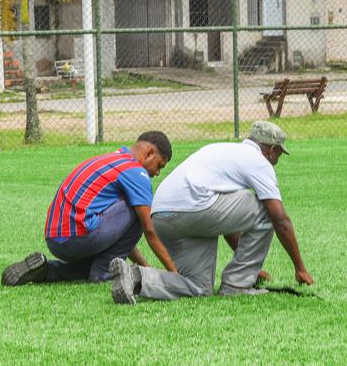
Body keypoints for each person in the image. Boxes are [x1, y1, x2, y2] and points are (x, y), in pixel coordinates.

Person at [108, 121, 315, 305]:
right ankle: (237, 287)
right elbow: (280, 219)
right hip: (194, 210)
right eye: (279, 153)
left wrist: (246, 264)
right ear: (271, 149)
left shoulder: (222, 150)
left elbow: (226, 222)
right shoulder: (259, 161)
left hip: (162, 214)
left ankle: (135, 277)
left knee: (197, 287)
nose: (277, 158)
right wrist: (300, 268)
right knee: (266, 210)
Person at [1, 132, 176, 285]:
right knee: (140, 208)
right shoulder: (136, 171)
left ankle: (46, 271)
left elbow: (121, 233)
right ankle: (104, 272)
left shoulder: (111, 159)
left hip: (55, 238)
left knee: (89, 267)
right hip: (80, 235)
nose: (157, 173)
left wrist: (144, 266)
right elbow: (149, 229)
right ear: (149, 153)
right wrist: (174, 274)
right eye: (159, 165)